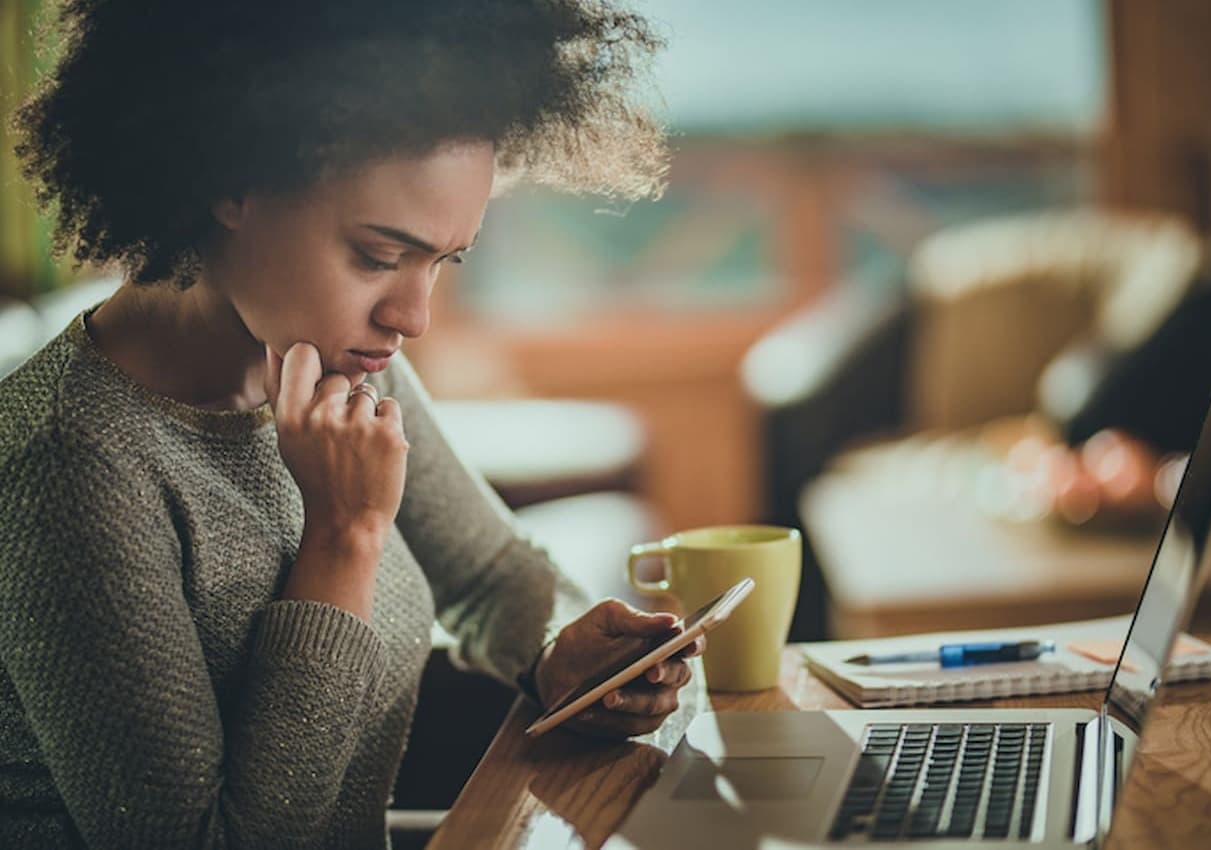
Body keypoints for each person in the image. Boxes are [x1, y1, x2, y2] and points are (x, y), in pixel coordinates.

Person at [0, 1, 702, 847]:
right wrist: (341, 538)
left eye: (445, 261)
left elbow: (488, 573)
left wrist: (565, 653)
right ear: (231, 181)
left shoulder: (334, 353)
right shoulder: (67, 463)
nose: (413, 316)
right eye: (378, 256)